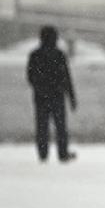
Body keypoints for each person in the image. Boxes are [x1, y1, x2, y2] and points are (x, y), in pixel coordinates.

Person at [26, 25, 78, 163]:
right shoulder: (59, 55)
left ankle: (43, 154)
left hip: (40, 97)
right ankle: (62, 154)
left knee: (42, 126)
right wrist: (71, 97)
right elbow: (67, 77)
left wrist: (40, 88)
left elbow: (30, 77)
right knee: (60, 127)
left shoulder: (35, 55)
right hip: (57, 96)